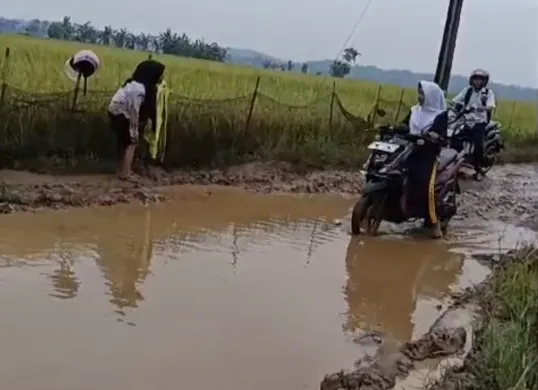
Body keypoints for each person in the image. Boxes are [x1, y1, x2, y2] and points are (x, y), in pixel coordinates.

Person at [399, 81, 448, 239]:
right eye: (419, 93)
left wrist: (434, 137)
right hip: (410, 150)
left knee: (427, 186)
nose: (420, 97)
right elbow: (405, 126)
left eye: (423, 94)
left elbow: (442, 136)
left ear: (431, 97)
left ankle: (434, 223)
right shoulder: (415, 111)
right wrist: (395, 128)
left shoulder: (440, 116)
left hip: (427, 155)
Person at [108, 59, 166, 181]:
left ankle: (124, 169)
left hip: (120, 112)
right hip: (120, 114)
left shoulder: (136, 84)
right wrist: (134, 132)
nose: (162, 77)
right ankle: (125, 173)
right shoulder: (138, 89)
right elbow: (134, 111)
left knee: (126, 142)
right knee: (132, 142)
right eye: (160, 74)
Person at [451, 69, 496, 180]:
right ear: (472, 80)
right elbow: (456, 100)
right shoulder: (467, 91)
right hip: (467, 120)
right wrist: (453, 106)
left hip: (480, 122)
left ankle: (478, 168)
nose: (477, 81)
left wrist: (482, 108)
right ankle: (457, 162)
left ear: (484, 81)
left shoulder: (487, 93)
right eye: (476, 79)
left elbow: (491, 106)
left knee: (478, 145)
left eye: (480, 79)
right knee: (454, 137)